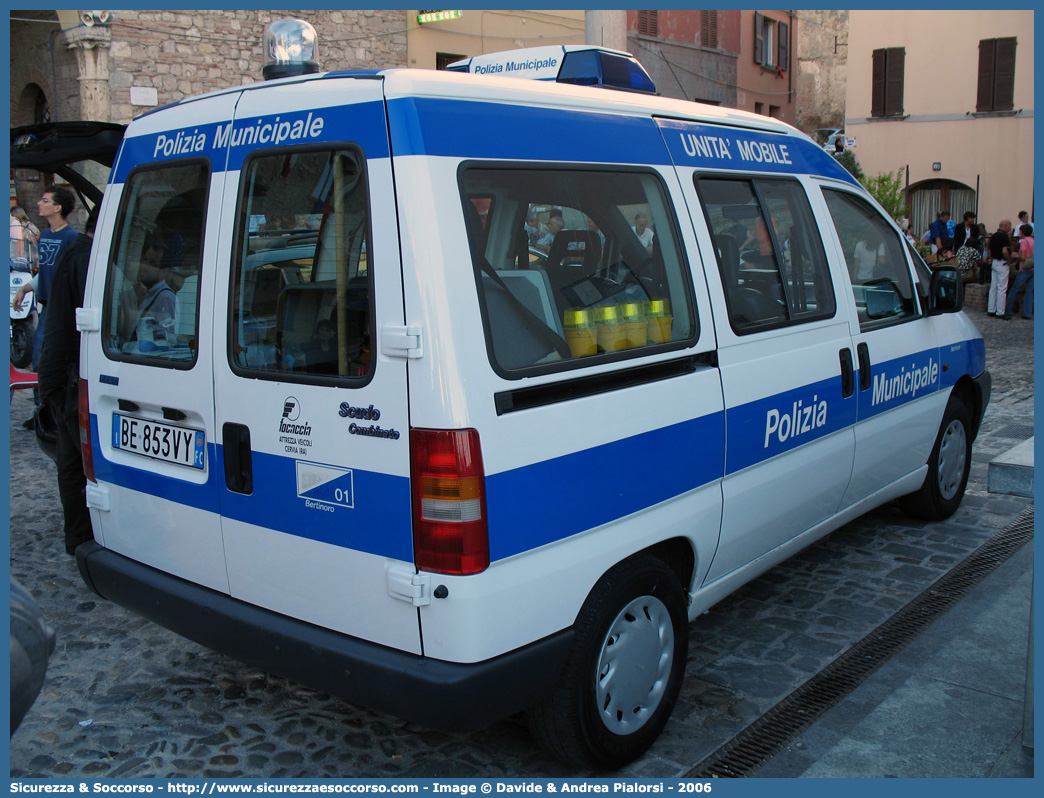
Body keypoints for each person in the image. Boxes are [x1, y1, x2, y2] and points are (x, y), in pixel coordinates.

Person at [36, 219, 95, 555]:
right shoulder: (86, 258)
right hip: (68, 374)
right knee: (83, 464)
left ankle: (77, 537)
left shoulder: (75, 251)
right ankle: (86, 535)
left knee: (71, 462)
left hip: (57, 372)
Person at [13, 188, 78, 426]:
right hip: (46, 305)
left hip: (60, 309)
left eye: (45, 200)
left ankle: (53, 411)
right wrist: (24, 289)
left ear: (58, 207)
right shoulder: (45, 236)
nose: (39, 203)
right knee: (39, 359)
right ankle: (42, 409)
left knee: (49, 359)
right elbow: (46, 272)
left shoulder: (71, 237)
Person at [134, 235, 177, 346]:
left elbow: (168, 337)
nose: (144, 267)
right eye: (145, 260)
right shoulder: (148, 293)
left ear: (164, 272)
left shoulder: (165, 297)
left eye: (152, 263)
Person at [1003, 224, 1033, 320]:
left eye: (1020, 231)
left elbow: (1023, 257)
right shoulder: (1034, 240)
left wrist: (1016, 256)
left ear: (1023, 232)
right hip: (1034, 268)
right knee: (1030, 291)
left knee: (1014, 289)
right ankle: (1027, 313)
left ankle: (1007, 310)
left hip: (1024, 269)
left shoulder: (1024, 242)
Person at [987, 219, 1013, 317]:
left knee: (993, 287)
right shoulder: (1004, 236)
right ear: (1006, 226)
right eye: (1009, 226)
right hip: (1002, 262)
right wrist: (1009, 260)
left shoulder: (993, 236)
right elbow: (1005, 251)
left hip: (994, 262)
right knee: (1002, 288)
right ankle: (1000, 311)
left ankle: (991, 309)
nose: (1010, 228)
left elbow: (989, 249)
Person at [10, 206, 39, 271]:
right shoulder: (16, 224)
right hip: (22, 252)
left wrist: (29, 239)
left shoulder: (28, 225)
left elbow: (37, 236)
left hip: (29, 252)